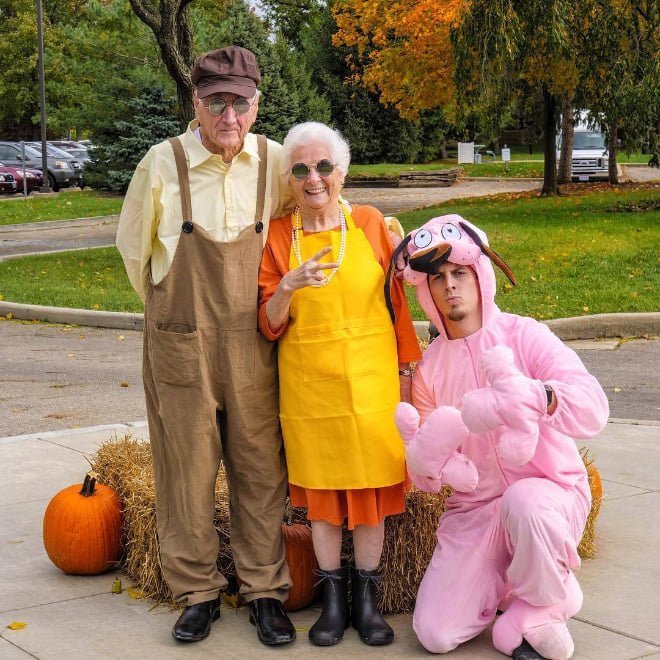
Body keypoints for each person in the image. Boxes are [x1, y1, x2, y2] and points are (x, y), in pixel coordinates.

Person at [116, 46, 297, 646]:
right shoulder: (161, 163)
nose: (228, 115)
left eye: (239, 103)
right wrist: (172, 316)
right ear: (195, 102)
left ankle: (265, 590)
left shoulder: (275, 162)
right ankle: (196, 592)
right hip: (181, 343)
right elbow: (133, 254)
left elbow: (314, 215)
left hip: (252, 343)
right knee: (185, 469)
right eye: (215, 101)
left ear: (256, 104)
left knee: (260, 469)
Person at [392, 214, 609, 660]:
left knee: (524, 503)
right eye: (438, 279)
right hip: (475, 511)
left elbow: (593, 406)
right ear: (426, 292)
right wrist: (427, 464)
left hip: (550, 493)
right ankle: (527, 590)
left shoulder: (524, 335)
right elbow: (435, 461)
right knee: (434, 633)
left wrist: (539, 396)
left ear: (479, 275)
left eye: (459, 273)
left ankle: (546, 605)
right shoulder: (430, 370)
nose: (450, 286)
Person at [257, 122, 421, 647]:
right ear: (288, 179)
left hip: (372, 389)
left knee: (371, 493)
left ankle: (366, 601)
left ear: (342, 172)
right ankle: (331, 602)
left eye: (323, 166)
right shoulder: (279, 236)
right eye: (300, 168)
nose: (313, 178)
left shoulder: (372, 224)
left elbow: (399, 309)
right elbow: (268, 323)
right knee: (324, 500)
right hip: (312, 395)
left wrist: (406, 378)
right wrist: (287, 286)